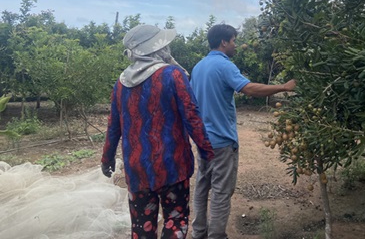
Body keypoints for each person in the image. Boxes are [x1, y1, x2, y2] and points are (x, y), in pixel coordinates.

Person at [100, 24, 214, 239]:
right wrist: (207, 152)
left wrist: (107, 158)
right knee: (175, 220)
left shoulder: (122, 82)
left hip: (137, 169)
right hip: (172, 165)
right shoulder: (173, 75)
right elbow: (192, 117)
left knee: (142, 228)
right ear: (157, 48)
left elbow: (114, 124)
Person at [190, 24, 296, 239]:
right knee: (221, 190)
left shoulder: (199, 67)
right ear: (224, 42)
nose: (235, 45)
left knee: (202, 186)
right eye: (234, 41)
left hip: (203, 139)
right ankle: (217, 235)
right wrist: (283, 87)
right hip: (221, 141)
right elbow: (248, 88)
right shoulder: (224, 65)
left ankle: (198, 233)